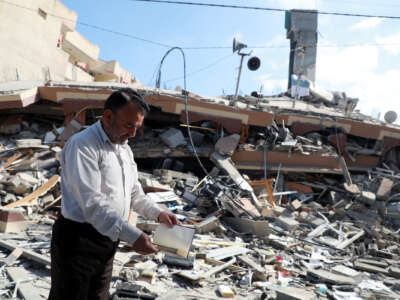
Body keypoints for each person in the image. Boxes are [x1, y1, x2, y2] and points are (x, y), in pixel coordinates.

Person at [49, 88, 179, 300]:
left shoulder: (124, 148)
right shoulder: (83, 145)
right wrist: (134, 236)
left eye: (137, 127)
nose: (133, 134)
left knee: (99, 296)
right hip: (78, 242)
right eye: (129, 125)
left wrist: (158, 213)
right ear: (108, 116)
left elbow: (134, 192)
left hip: (108, 240)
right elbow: (92, 204)